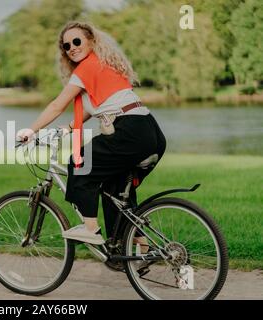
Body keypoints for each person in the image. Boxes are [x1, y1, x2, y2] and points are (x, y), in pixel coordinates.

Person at [17, 21, 166, 247]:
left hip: (130, 131)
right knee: (113, 190)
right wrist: (66, 129)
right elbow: (95, 106)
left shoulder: (86, 68)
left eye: (77, 41)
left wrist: (30, 130)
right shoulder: (106, 65)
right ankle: (137, 246)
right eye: (66, 46)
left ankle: (90, 229)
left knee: (80, 164)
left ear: (91, 41)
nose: (72, 47)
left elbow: (57, 105)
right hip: (149, 132)